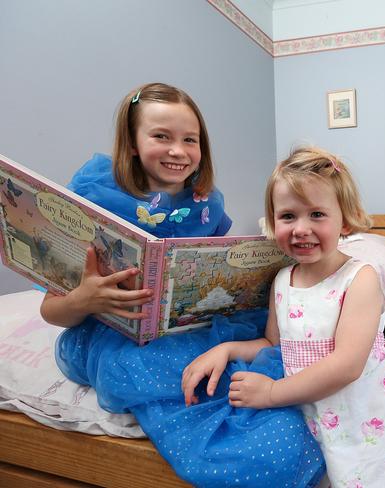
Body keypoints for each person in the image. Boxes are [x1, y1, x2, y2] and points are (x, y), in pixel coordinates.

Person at [41, 83, 324, 487]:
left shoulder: (208, 202)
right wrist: (84, 299)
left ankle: (261, 412)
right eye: (161, 136)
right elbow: (51, 310)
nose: (178, 151)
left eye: (190, 140)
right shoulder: (95, 195)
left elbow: (211, 267)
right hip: (115, 334)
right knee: (155, 369)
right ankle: (237, 446)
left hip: (191, 324)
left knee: (258, 346)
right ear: (133, 142)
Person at [182, 147, 385, 487]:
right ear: (273, 223)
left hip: (359, 415)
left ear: (344, 220)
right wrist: (227, 350)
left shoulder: (360, 277)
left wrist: (272, 392)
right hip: (308, 408)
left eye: (317, 214)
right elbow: (274, 343)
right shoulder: (282, 281)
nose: (301, 228)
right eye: (288, 216)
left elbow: (347, 365)